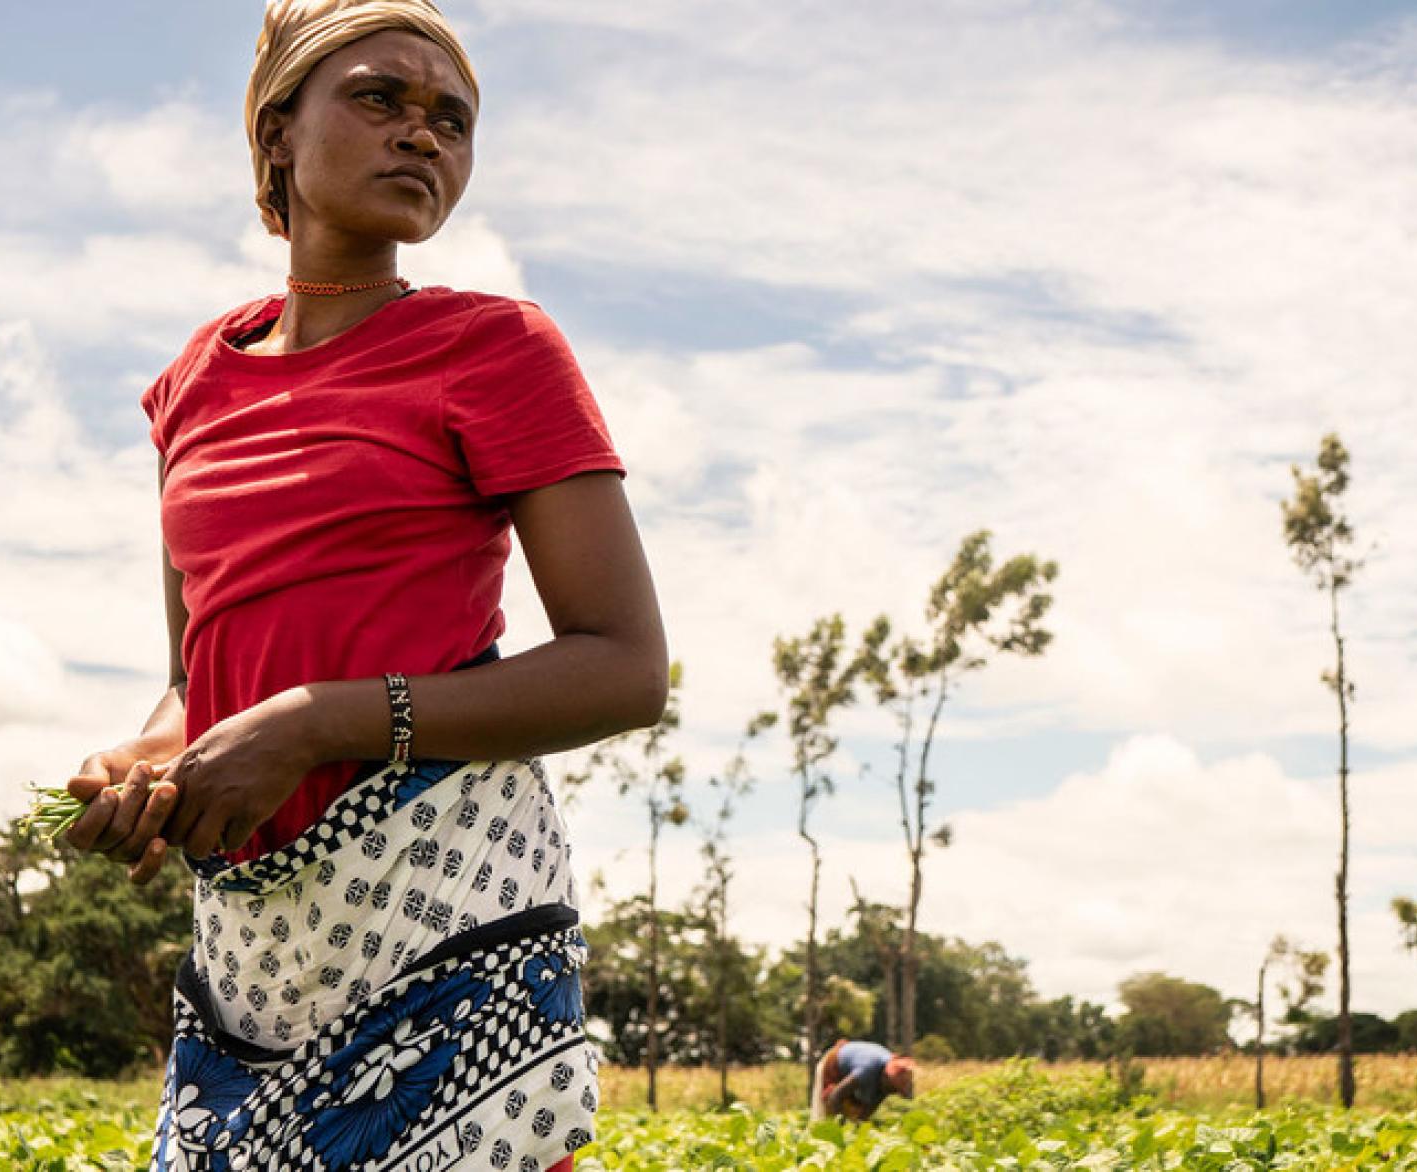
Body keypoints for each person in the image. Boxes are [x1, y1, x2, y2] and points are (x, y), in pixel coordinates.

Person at [58, 1, 667, 1168]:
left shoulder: (496, 349)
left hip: (442, 906)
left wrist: (324, 719)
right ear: (277, 131)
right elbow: (196, 679)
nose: (422, 134)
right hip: (253, 946)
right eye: (380, 98)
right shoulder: (193, 380)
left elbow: (624, 666)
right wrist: (144, 765)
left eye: (453, 117)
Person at [810, 1039, 916, 1122]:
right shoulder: (867, 1069)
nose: (893, 1092)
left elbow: (867, 1111)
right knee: (823, 1117)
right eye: (894, 1088)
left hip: (850, 1072)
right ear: (886, 1077)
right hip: (832, 1065)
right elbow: (835, 1096)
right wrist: (841, 1129)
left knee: (854, 1114)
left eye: (896, 1090)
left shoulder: (886, 1085)